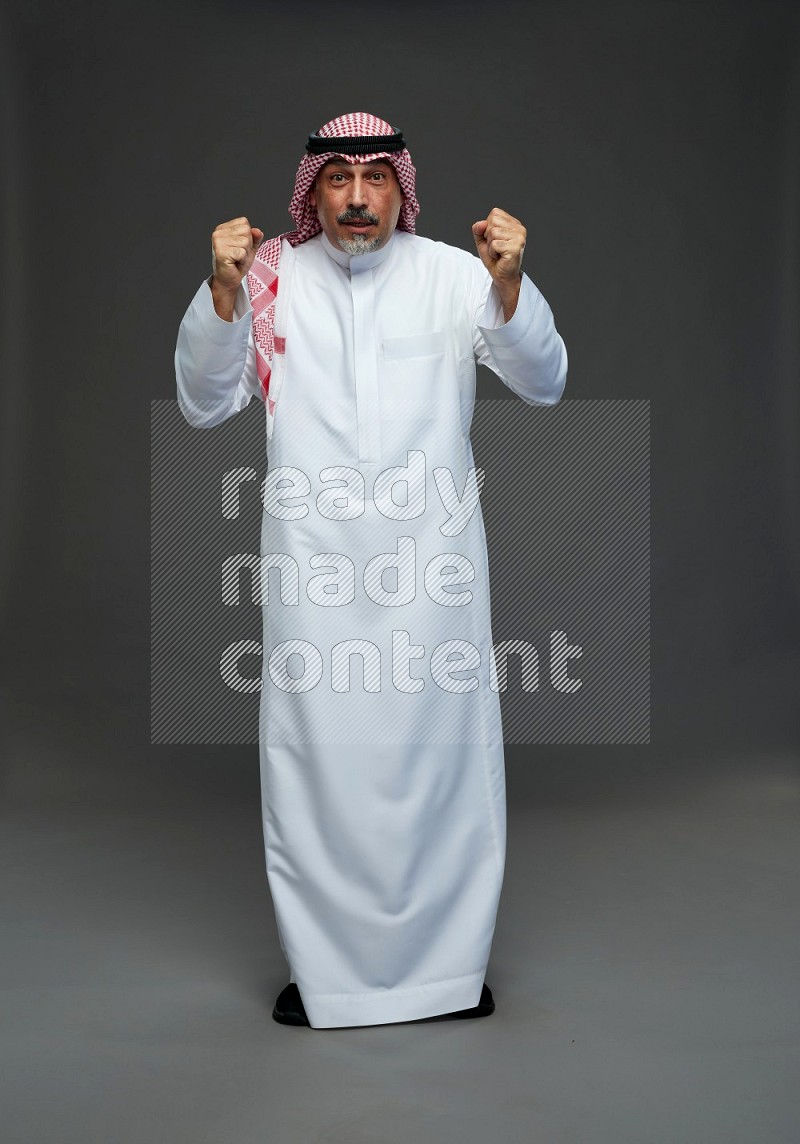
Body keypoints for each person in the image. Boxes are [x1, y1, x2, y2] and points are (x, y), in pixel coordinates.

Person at [175, 112, 567, 1029]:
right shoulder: (270, 281)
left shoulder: (453, 276)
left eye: (377, 177)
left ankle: (447, 977)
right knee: (317, 766)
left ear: (403, 187)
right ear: (311, 191)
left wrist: (511, 288)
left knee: (443, 763)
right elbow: (202, 405)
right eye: (340, 177)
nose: (358, 196)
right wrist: (221, 295)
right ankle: (332, 978)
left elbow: (544, 380)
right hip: (313, 574)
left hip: (432, 575)